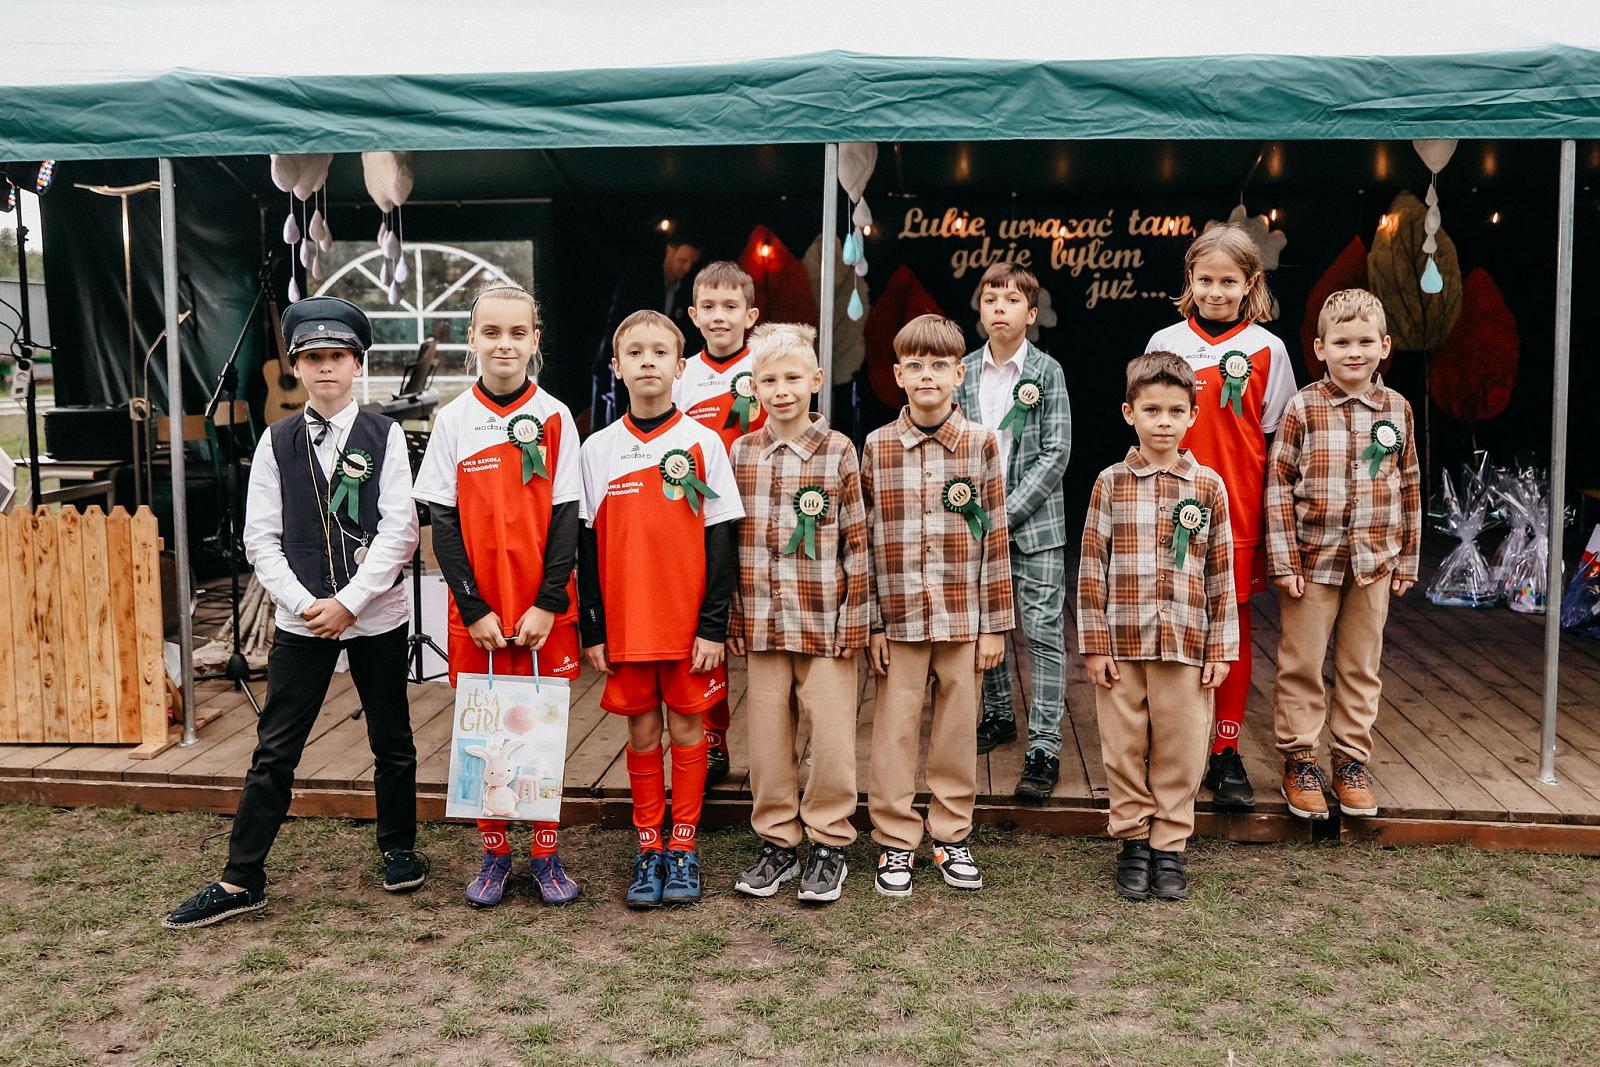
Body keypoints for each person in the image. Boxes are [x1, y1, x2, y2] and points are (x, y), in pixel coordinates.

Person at [163, 296, 423, 929]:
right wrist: (309, 605)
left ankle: (398, 847)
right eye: (312, 358)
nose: (325, 368)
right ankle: (241, 877)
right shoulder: (276, 442)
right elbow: (261, 539)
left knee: (392, 739)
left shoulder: (385, 435)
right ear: (297, 367)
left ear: (357, 365)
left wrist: (351, 602)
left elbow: (400, 530)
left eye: (337, 356)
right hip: (302, 619)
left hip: (376, 615)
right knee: (277, 747)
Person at [413, 284, 583, 907]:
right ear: (472, 340)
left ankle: (545, 854)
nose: (504, 344)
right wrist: (473, 607)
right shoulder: (454, 420)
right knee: (483, 734)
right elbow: (442, 522)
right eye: (492, 332)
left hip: (541, 615)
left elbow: (566, 518)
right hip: (478, 618)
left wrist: (549, 602)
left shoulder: (557, 417)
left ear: (535, 340)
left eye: (517, 333)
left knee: (540, 734)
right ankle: (494, 854)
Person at [579, 309, 744, 908]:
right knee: (643, 731)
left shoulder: (703, 443)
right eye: (635, 352)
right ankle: (648, 846)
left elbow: (722, 541)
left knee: (688, 728)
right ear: (617, 367)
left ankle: (684, 845)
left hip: (686, 625)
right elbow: (587, 546)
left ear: (680, 366)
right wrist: (593, 626)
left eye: (660, 352)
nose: (647, 361)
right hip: (627, 625)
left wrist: (712, 626)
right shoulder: (598, 449)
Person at [1144, 224, 1296, 811]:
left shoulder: (1268, 348)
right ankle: (1170, 743)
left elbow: (1272, 437)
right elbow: (1151, 423)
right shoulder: (1164, 341)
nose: (1214, 291)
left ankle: (1225, 749)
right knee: (1170, 620)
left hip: (1237, 511)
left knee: (1231, 627)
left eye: (1228, 281)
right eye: (1205, 279)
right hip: (1169, 509)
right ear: (1190, 278)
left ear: (1250, 283)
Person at [1078, 352, 1239, 902]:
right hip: (1122, 644)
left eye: (1175, 411)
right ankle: (1132, 839)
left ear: (1193, 415)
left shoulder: (1209, 487)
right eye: (1152, 410)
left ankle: (1169, 844)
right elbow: (1092, 566)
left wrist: (1221, 647)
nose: (1164, 422)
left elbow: (1221, 571)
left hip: (1187, 644)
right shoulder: (1109, 483)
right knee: (1123, 747)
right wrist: (1094, 644)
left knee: (1182, 747)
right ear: (1130, 413)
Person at [862, 314, 1013, 897]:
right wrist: (872, 622)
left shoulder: (981, 444)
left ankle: (951, 833)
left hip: (961, 615)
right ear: (898, 375)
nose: (927, 375)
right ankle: (895, 839)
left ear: (959, 374)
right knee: (894, 731)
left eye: (939, 365)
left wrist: (993, 625)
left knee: (956, 731)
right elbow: (863, 539)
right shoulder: (876, 447)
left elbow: (995, 535)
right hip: (898, 617)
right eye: (915, 365)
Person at [727, 323, 869, 904]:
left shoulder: (839, 451)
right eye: (768, 380)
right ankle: (777, 841)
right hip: (762, 620)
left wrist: (856, 619)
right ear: (753, 386)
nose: (780, 390)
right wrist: (733, 616)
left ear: (815, 380)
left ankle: (829, 839)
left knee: (832, 738)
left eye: (792, 378)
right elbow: (730, 542)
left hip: (825, 620)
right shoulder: (740, 453)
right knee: (766, 740)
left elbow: (857, 541)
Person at [1266, 289, 1421, 820]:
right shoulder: (1303, 407)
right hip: (1314, 559)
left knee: (1361, 664)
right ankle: (1300, 760)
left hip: (1375, 559)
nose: (1354, 352)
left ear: (1384, 346)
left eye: (1364, 342)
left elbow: (1409, 482)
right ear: (1320, 348)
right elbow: (1279, 483)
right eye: (1341, 342)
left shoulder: (1398, 409)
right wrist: (1284, 559)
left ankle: (1351, 760)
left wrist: (1408, 557)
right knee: (1302, 663)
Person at [954, 263, 1072, 801]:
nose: (999, 307)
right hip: (973, 523)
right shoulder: (962, 371)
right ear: (980, 311)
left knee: (1042, 631)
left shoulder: (1047, 372)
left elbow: (1056, 452)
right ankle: (998, 714)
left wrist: (1005, 513)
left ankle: (1045, 743)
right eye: (990, 299)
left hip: (1036, 527)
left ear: (1031, 312)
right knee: (985, 623)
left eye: (1011, 299)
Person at [673, 260, 764, 786]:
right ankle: (714, 740)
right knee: (708, 630)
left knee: (763, 633)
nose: (719, 316)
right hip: (704, 522)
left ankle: (777, 748)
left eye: (731, 306)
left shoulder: (769, 364)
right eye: (708, 306)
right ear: (693, 315)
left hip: (766, 521)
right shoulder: (682, 374)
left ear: (751, 315)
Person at [591, 232, 704, 430]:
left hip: (665, 371)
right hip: (621, 366)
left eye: (691, 263)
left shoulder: (688, 288)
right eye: (682, 260)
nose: (686, 268)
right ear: (669, 251)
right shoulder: (638, 281)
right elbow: (616, 327)